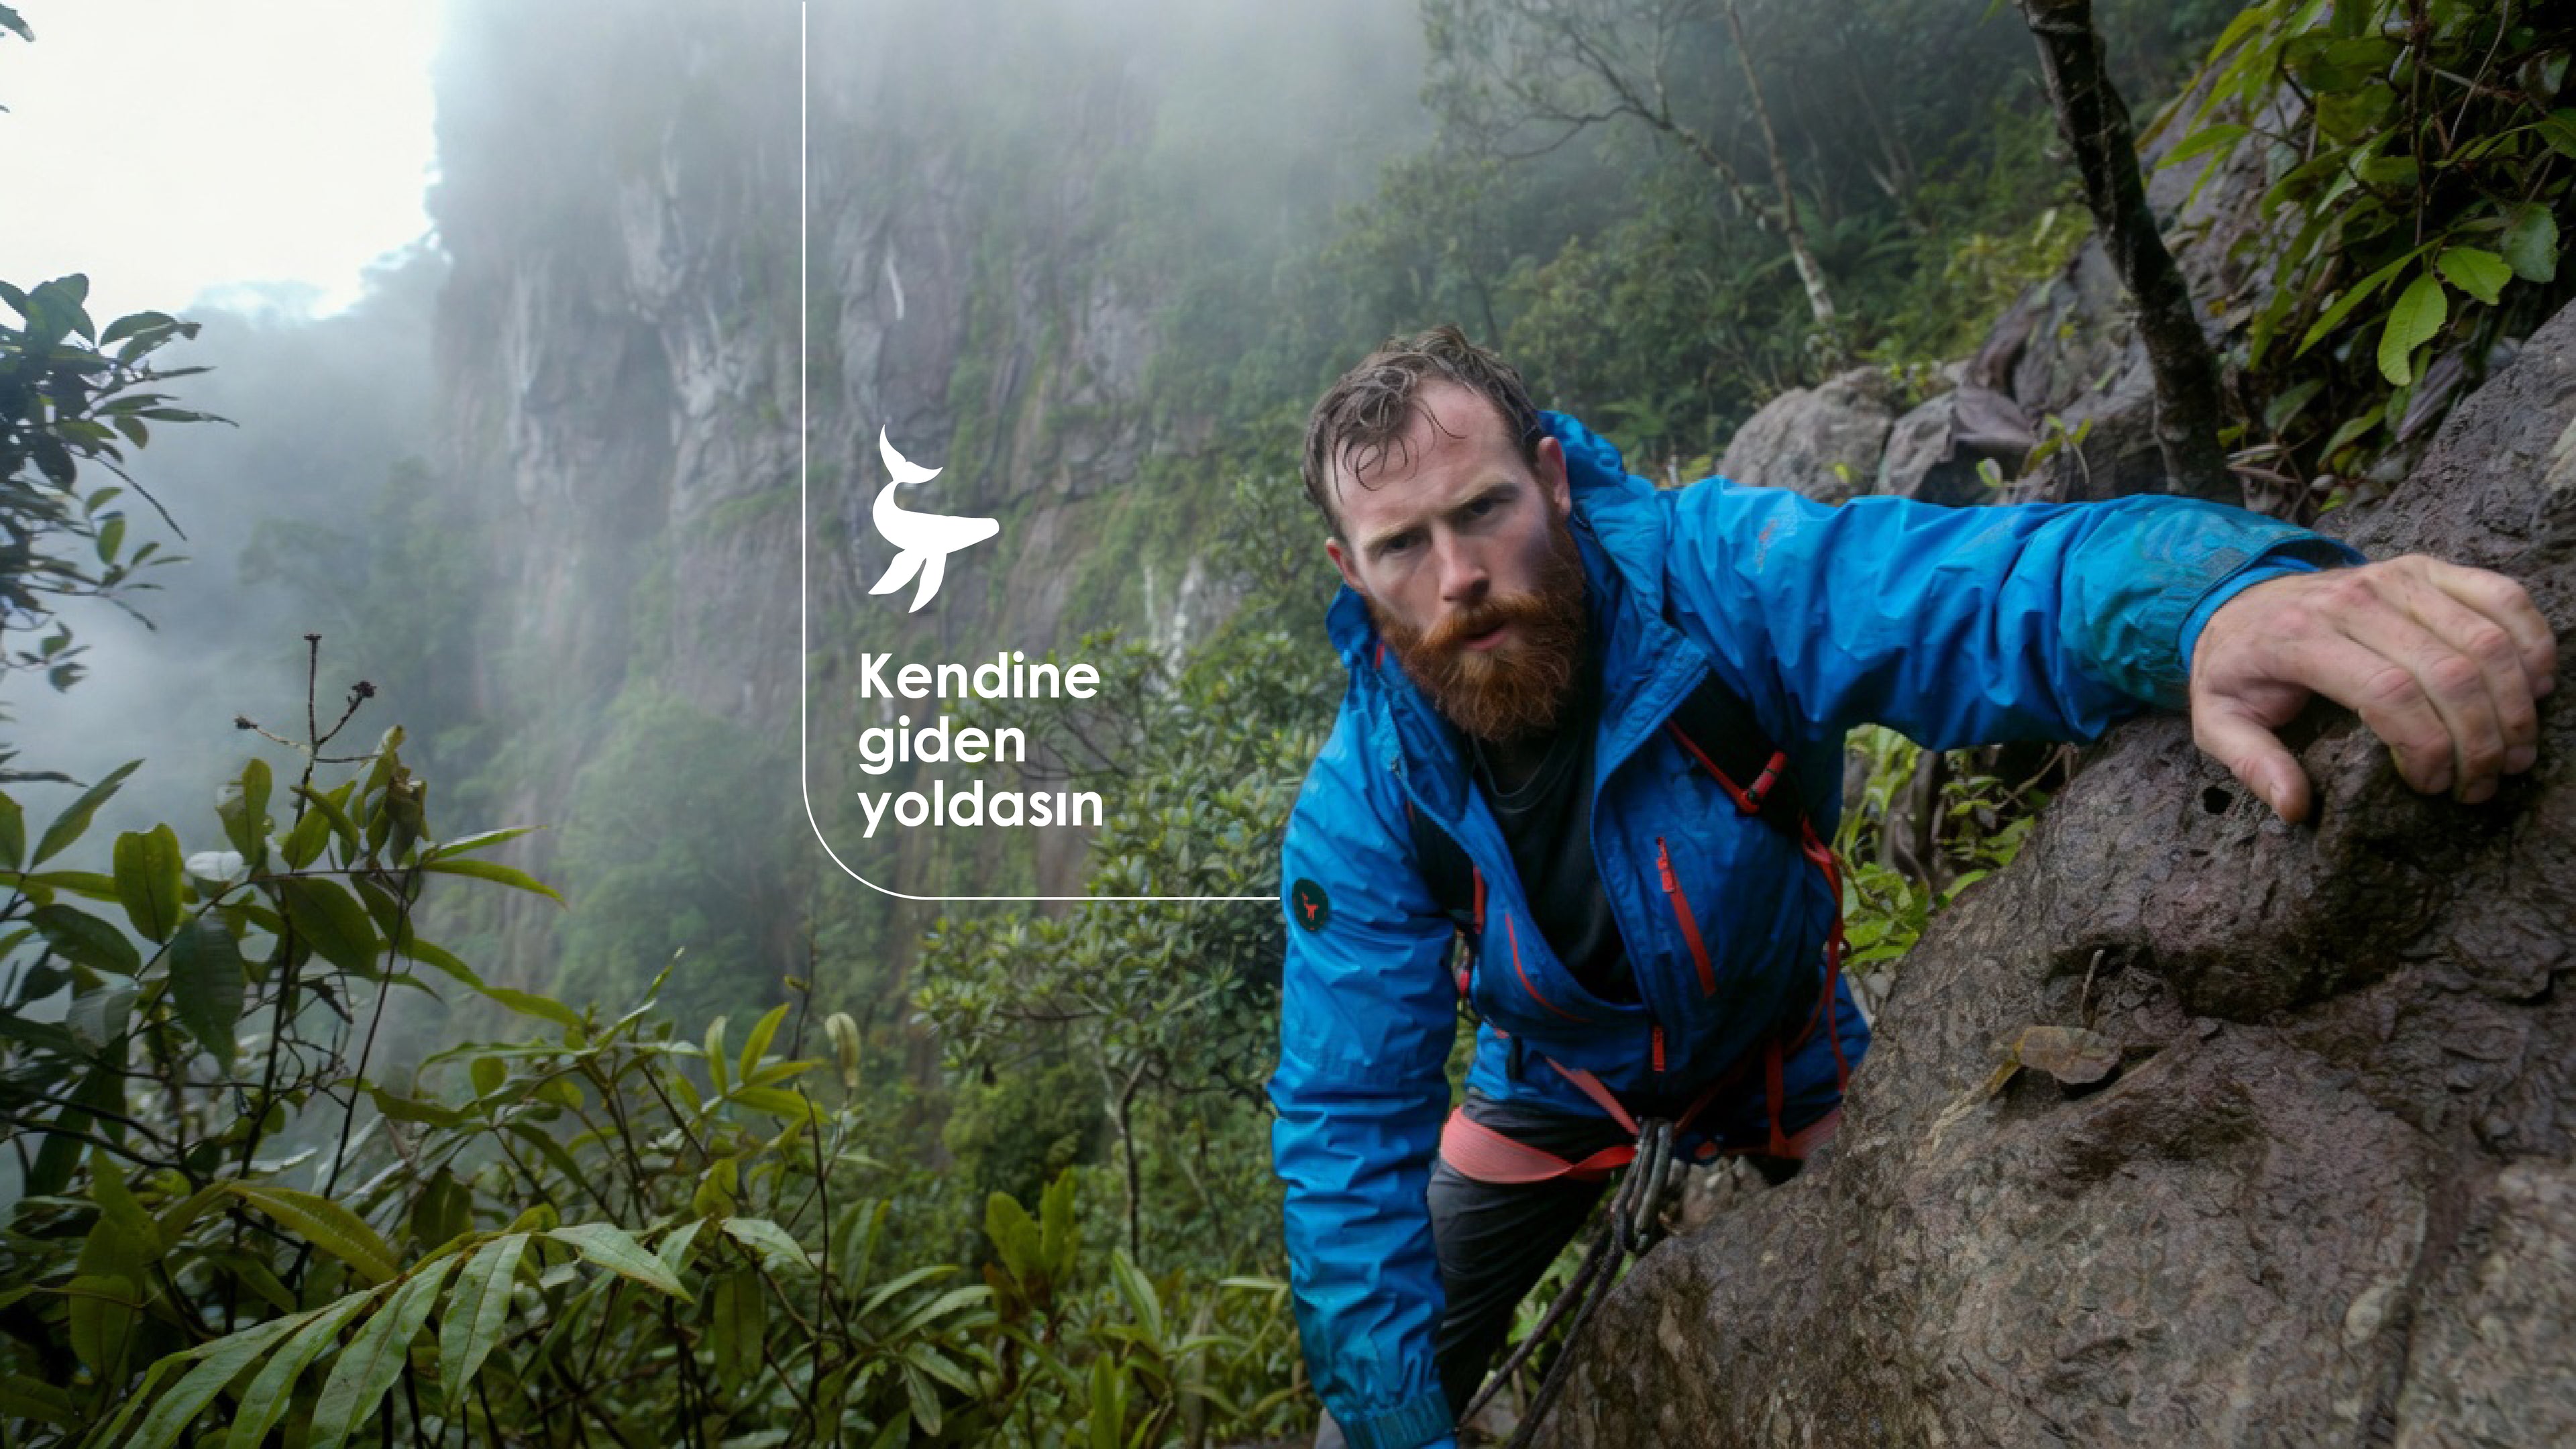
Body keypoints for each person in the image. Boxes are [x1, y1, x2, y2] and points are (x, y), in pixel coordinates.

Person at [1269, 327, 2555, 1449]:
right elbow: (1348, 1117)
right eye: (1403, 545)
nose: (1458, 576)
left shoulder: (1713, 580)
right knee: (1365, 1414)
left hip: (1788, 1046)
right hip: (1561, 1086)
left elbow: (1962, 585)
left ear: (1551, 479)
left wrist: (2213, 605)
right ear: (1350, 570)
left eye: (1484, 508)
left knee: (1920, 1296)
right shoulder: (1363, 804)